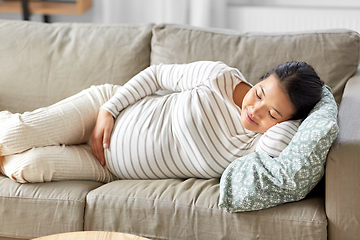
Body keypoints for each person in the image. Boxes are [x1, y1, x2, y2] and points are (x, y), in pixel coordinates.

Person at [0, 61, 323, 183]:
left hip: (106, 167)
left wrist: (313, 112)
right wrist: (108, 110)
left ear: (288, 123)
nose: (256, 109)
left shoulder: (257, 146)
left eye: (274, 113)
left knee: (30, 168)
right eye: (260, 92)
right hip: (101, 112)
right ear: (261, 77)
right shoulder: (219, 78)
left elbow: (288, 140)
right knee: (14, 132)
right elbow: (156, 74)